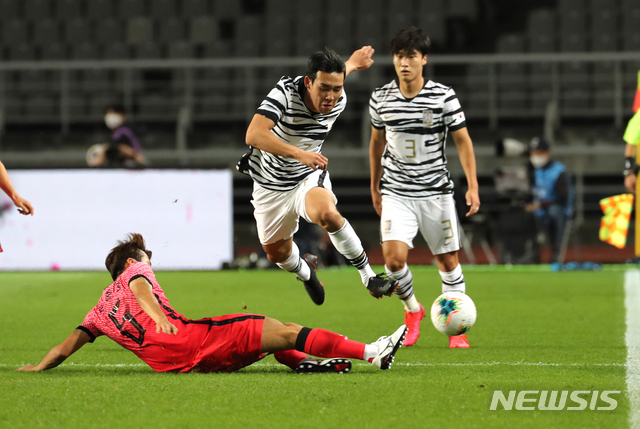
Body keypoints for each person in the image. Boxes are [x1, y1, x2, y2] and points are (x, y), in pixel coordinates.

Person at [16, 233, 407, 374]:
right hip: (191, 341)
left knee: (273, 337)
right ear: (133, 261)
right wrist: (158, 317)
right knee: (284, 328)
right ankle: (371, 352)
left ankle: (308, 365)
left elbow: (64, 349)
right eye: (147, 255)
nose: (151, 260)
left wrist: (37, 367)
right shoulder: (136, 273)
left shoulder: (99, 311)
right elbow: (140, 290)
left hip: (175, 366)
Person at [239, 46, 398, 306]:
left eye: (337, 89)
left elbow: (340, 73)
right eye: (324, 88)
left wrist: (354, 63)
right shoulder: (285, 94)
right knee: (277, 255)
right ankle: (306, 272)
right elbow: (253, 135)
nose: (331, 96)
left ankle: (369, 278)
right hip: (270, 184)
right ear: (308, 82)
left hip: (307, 177)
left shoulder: (338, 92)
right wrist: (299, 153)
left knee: (328, 214)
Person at [369, 27, 480, 349]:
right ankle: (412, 311)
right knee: (392, 260)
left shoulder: (443, 96)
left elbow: (463, 140)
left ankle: (457, 328)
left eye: (411, 56)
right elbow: (376, 143)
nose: (404, 63)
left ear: (424, 60)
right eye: (399, 56)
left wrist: (472, 186)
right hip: (397, 191)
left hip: (436, 192)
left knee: (447, 261)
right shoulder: (381, 97)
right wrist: (375, 185)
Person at [526, 137, 573, 264]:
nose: (536, 156)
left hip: (557, 208)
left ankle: (556, 252)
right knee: (524, 213)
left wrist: (541, 204)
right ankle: (528, 253)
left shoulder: (559, 171)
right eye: (533, 153)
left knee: (554, 212)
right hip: (539, 210)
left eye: (539, 152)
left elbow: (562, 197)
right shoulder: (532, 170)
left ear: (547, 152)